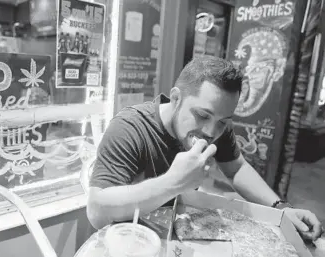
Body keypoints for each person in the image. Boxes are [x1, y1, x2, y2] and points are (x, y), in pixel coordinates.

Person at [87, 55, 323, 242]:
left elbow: (236, 169)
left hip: (176, 237)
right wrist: (173, 183)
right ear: (176, 98)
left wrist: (281, 208)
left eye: (223, 121)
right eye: (202, 115)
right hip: (127, 243)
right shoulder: (131, 128)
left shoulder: (217, 127)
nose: (211, 132)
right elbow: (97, 212)